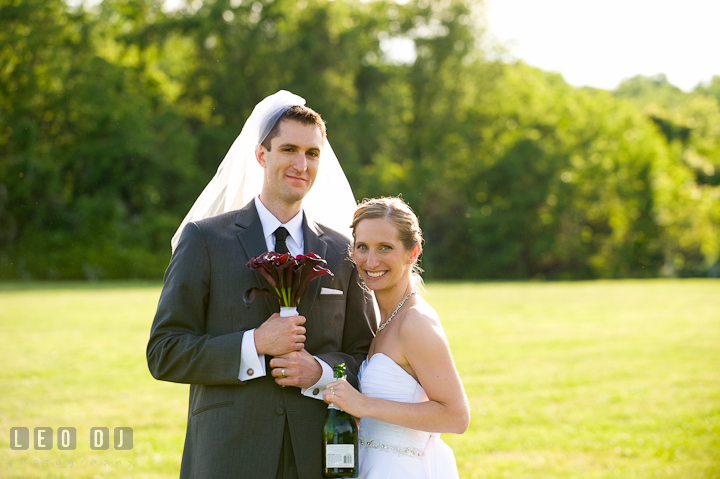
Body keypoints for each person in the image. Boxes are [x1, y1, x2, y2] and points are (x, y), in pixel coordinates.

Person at [147, 90, 376, 479]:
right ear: (261, 155)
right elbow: (165, 351)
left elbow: (365, 355)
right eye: (288, 149)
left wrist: (320, 372)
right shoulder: (204, 240)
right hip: (229, 454)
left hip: (317, 456)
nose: (301, 164)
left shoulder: (342, 250)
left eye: (312, 153)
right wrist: (253, 344)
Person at [323, 197, 470, 479]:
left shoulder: (416, 322)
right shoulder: (385, 320)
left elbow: (456, 417)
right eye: (362, 247)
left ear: (412, 253)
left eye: (385, 248)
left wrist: (365, 405)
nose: (371, 260)